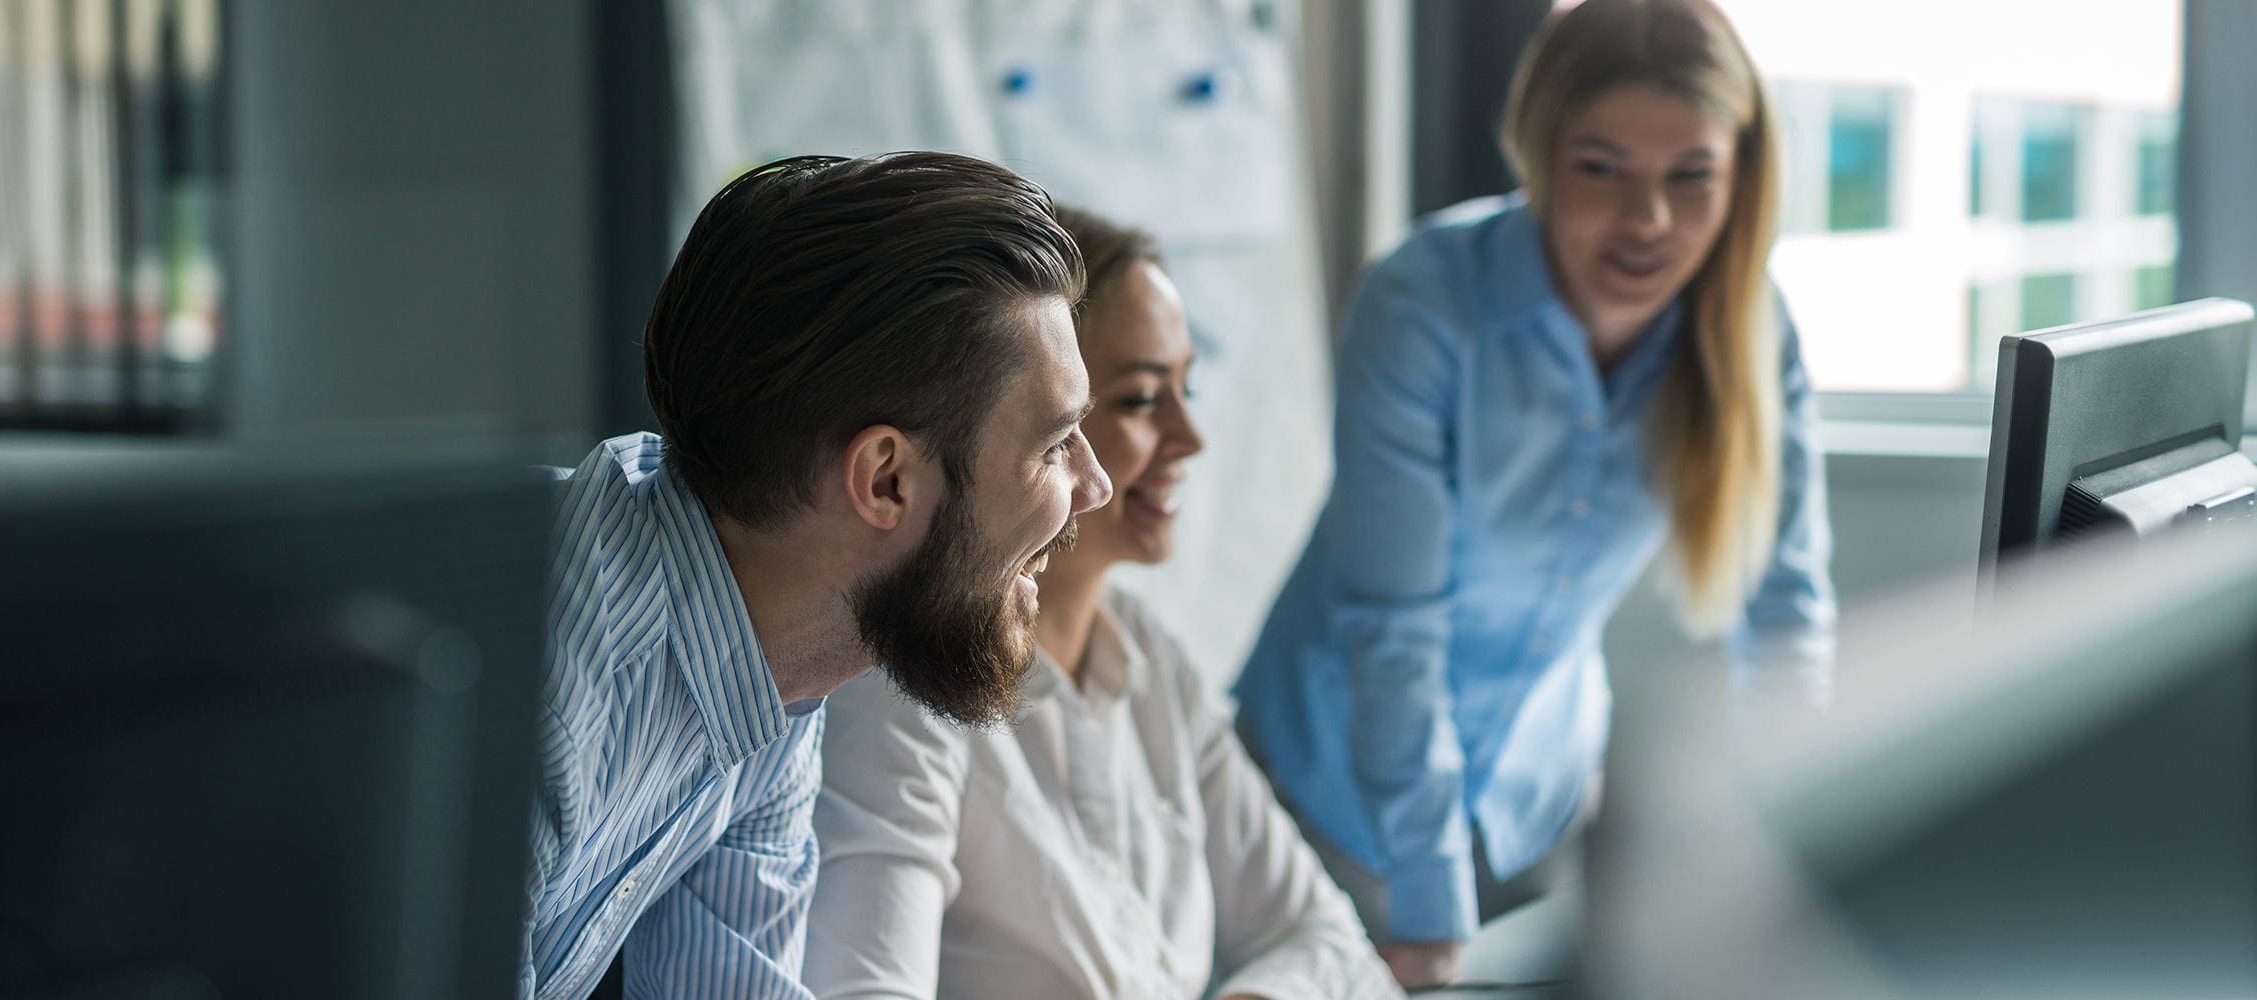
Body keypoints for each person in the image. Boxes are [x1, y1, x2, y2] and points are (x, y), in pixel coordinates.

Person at [1231, 0, 1834, 988]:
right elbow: (1395, 629)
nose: (1648, 220)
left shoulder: (1752, 331)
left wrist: (1800, 858)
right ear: (1538, 151)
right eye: (1602, 168)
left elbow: (1786, 620)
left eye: (1691, 178)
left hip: (1533, 796)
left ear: (1740, 176)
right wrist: (1428, 911)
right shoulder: (1423, 300)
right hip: (1332, 795)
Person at [522, 152, 1115, 999]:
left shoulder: (774, 676)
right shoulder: (543, 669)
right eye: (1054, 443)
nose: (1092, 488)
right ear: (885, 480)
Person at [801, 206, 1401, 1000]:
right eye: (1142, 400)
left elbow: (1325, 939)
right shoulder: (909, 681)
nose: (1191, 438)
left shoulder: (1151, 664)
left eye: (1187, 388)